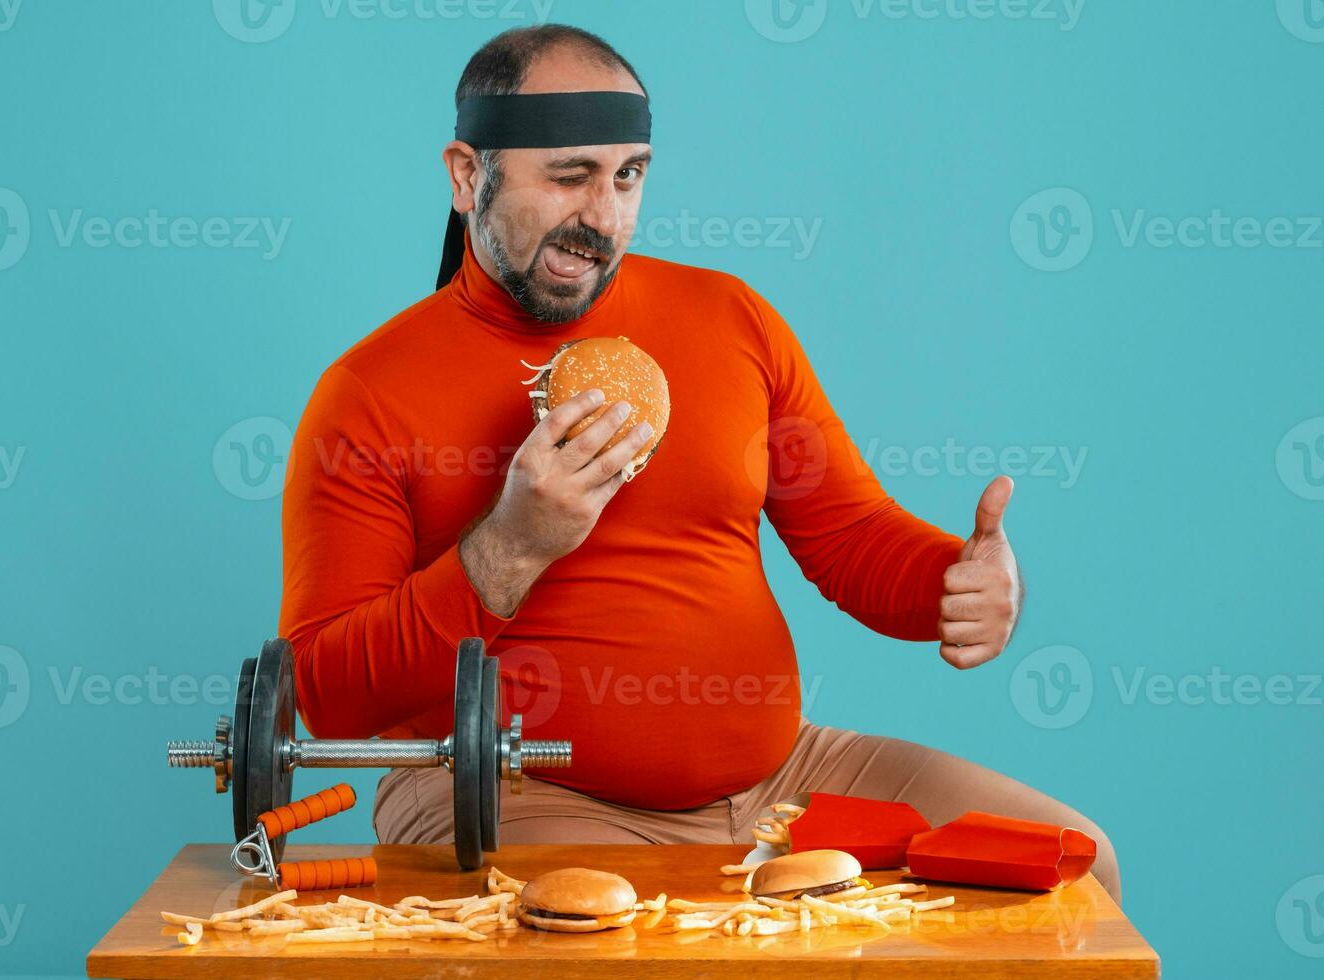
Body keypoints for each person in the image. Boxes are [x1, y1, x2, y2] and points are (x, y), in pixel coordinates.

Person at [279, 24, 1120, 903]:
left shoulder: (729, 319)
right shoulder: (367, 395)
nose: (602, 218)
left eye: (628, 176)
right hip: (514, 788)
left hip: (780, 780)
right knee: (635, 943)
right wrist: (509, 549)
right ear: (466, 176)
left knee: (1079, 864)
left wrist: (956, 581)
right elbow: (326, 699)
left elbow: (848, 537)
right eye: (568, 176)